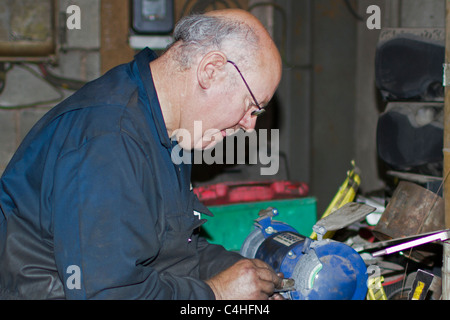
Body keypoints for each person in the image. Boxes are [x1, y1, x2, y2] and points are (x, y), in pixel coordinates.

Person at [0, 9, 283, 300]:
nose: (250, 126)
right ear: (211, 70)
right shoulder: (109, 140)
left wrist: (246, 275)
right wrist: (217, 293)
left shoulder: (169, 129)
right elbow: (108, 294)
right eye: (252, 106)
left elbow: (172, 250)